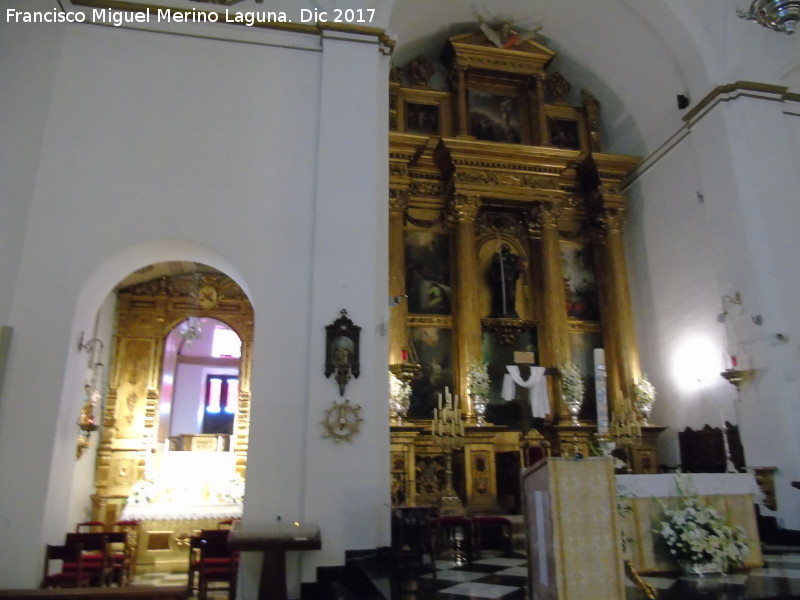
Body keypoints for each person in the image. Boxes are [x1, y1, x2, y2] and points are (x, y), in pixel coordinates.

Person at [489, 243, 524, 317]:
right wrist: (496, 277)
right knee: (501, 295)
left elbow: (520, 267)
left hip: (511, 280)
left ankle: (511, 310)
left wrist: (519, 270)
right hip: (501, 280)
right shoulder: (498, 256)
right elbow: (493, 268)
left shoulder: (514, 257)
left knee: (511, 295)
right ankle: (500, 311)